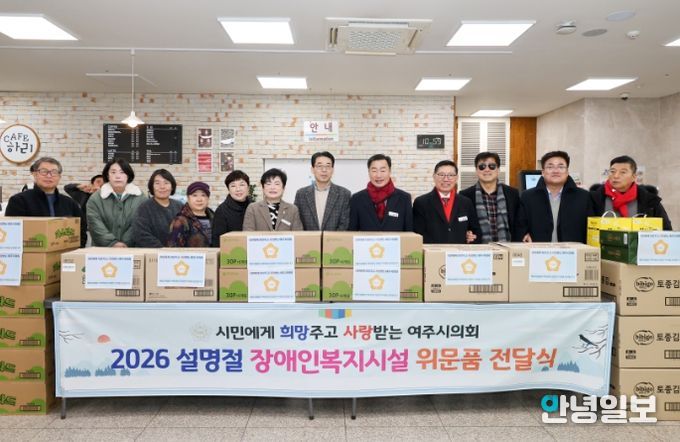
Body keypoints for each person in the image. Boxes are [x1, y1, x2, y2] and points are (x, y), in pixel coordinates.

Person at [5, 157, 87, 247]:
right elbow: (11, 232)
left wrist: (75, 251)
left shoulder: (69, 203)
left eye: (54, 172)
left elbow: (81, 229)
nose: (49, 176)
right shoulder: (19, 200)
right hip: (31, 253)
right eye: (44, 171)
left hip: (65, 252)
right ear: (35, 174)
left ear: (59, 177)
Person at [515, 150, 594, 243]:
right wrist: (524, 235)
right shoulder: (528, 197)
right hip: (537, 250)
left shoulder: (583, 197)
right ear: (543, 172)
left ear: (567, 172)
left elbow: (591, 230)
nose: (556, 171)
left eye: (561, 167)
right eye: (550, 167)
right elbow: (520, 227)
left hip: (573, 251)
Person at [590, 155, 672, 230]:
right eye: (612, 171)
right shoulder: (594, 199)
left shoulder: (650, 201)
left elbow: (666, 230)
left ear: (634, 177)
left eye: (623, 172)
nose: (616, 176)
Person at [413, 160, 481, 244]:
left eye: (450, 175)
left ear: (456, 178)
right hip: (432, 251)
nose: (445, 179)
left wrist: (472, 237)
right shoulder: (421, 203)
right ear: (434, 177)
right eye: (441, 175)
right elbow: (418, 234)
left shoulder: (466, 202)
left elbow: (475, 231)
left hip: (459, 251)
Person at [460, 152, 520, 243]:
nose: (487, 170)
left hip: (509, 247)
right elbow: (462, 225)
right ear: (476, 170)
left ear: (498, 170)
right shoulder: (465, 195)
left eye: (492, 166)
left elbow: (520, 223)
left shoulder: (513, 194)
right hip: (478, 249)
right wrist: (466, 234)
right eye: (482, 167)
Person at [87, 157, 144, 247]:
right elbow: (95, 225)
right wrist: (112, 243)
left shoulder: (141, 198)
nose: (118, 176)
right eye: (113, 172)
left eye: (122, 172)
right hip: (102, 251)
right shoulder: (95, 199)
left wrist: (125, 243)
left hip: (132, 249)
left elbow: (140, 224)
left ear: (128, 175)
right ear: (107, 176)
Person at [349, 154, 413, 231]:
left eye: (383, 170)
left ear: (390, 171)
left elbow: (409, 232)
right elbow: (352, 232)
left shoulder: (404, 198)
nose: (378, 175)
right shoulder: (357, 199)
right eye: (374, 171)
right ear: (368, 172)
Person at [294, 151, 351, 231]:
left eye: (328, 166)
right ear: (312, 169)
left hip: (335, 239)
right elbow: (297, 224)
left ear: (332, 170)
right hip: (308, 239)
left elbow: (344, 224)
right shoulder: (301, 194)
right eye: (319, 166)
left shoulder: (344, 194)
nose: (324, 170)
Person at [132, 169, 183, 247]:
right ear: (152, 187)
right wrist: (163, 250)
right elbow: (141, 235)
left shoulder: (180, 206)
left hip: (178, 253)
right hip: (152, 252)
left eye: (166, 183)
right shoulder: (144, 208)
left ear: (172, 186)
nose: (162, 187)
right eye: (157, 183)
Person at [211, 170, 252, 246]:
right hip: (231, 252)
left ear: (248, 187)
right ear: (228, 190)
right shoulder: (222, 211)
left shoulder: (254, 208)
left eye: (242, 185)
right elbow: (217, 241)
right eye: (233, 186)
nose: (238, 189)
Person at [167, 181, 214, 247]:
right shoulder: (181, 221)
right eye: (194, 195)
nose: (199, 199)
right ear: (188, 198)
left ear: (208, 198)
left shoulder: (214, 217)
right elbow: (173, 247)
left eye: (203, 195)